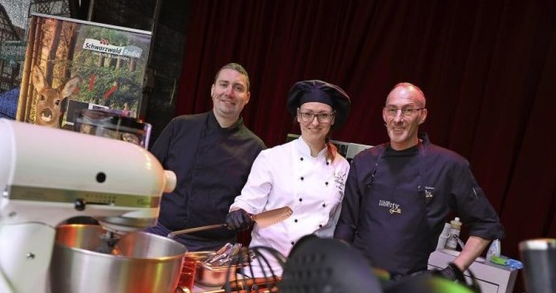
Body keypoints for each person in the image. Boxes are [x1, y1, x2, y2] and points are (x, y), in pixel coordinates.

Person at [334, 82, 504, 280]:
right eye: (392, 110)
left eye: (407, 110)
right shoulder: (364, 161)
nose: (398, 119)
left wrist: (452, 272)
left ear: (422, 115)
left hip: (409, 289)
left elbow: (486, 225)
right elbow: (347, 224)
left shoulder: (449, 166)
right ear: (384, 114)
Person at [225, 79, 351, 276]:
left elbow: (336, 222)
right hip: (265, 267)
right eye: (308, 114)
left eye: (323, 115)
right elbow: (249, 201)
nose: (315, 122)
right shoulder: (272, 157)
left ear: (333, 118)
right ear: (298, 116)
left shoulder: (342, 166)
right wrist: (239, 212)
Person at [147, 63, 266, 251]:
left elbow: (256, 200)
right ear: (213, 90)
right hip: (161, 234)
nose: (229, 92)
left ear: (247, 97)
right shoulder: (179, 126)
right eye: (224, 84)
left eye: (238, 88)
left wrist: (245, 214)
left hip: (214, 248)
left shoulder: (256, 148)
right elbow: (149, 175)